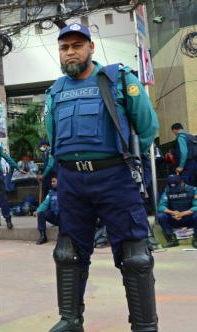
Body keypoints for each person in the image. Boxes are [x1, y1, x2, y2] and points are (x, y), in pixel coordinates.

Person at [44, 23, 159, 331]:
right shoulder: (55, 90)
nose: (70, 52)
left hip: (113, 177)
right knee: (68, 252)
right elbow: (53, 138)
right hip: (71, 182)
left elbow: (147, 128)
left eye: (77, 45)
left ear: (90, 48)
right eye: (64, 47)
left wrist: (122, 162)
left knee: (135, 255)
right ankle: (70, 319)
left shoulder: (118, 78)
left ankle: (144, 326)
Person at [157, 175, 197, 248]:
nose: (175, 190)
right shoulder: (167, 191)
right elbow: (161, 207)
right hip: (175, 218)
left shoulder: (193, 190)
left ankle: (196, 239)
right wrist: (173, 212)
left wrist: (182, 214)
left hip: (189, 218)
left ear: (182, 182)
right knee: (161, 216)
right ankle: (171, 239)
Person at [0, 144, 19, 229]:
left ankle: (6, 220)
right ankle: (0, 220)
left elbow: (8, 159)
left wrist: (17, 167)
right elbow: (8, 158)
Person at [34, 176, 60, 245]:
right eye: (51, 182)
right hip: (54, 216)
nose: (52, 183)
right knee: (41, 214)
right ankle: (43, 236)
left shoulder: (65, 191)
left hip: (64, 218)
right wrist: (38, 210)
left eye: (54, 181)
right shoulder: (51, 193)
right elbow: (45, 203)